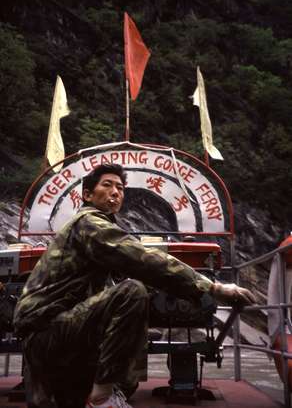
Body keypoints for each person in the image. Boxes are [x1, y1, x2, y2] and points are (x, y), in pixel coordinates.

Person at [14, 164, 255, 408]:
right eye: (107, 185)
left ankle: (100, 393)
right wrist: (213, 289)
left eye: (120, 187)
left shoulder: (96, 229)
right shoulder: (89, 223)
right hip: (47, 328)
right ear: (87, 195)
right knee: (132, 293)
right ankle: (102, 397)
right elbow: (142, 259)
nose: (115, 192)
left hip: (51, 330)